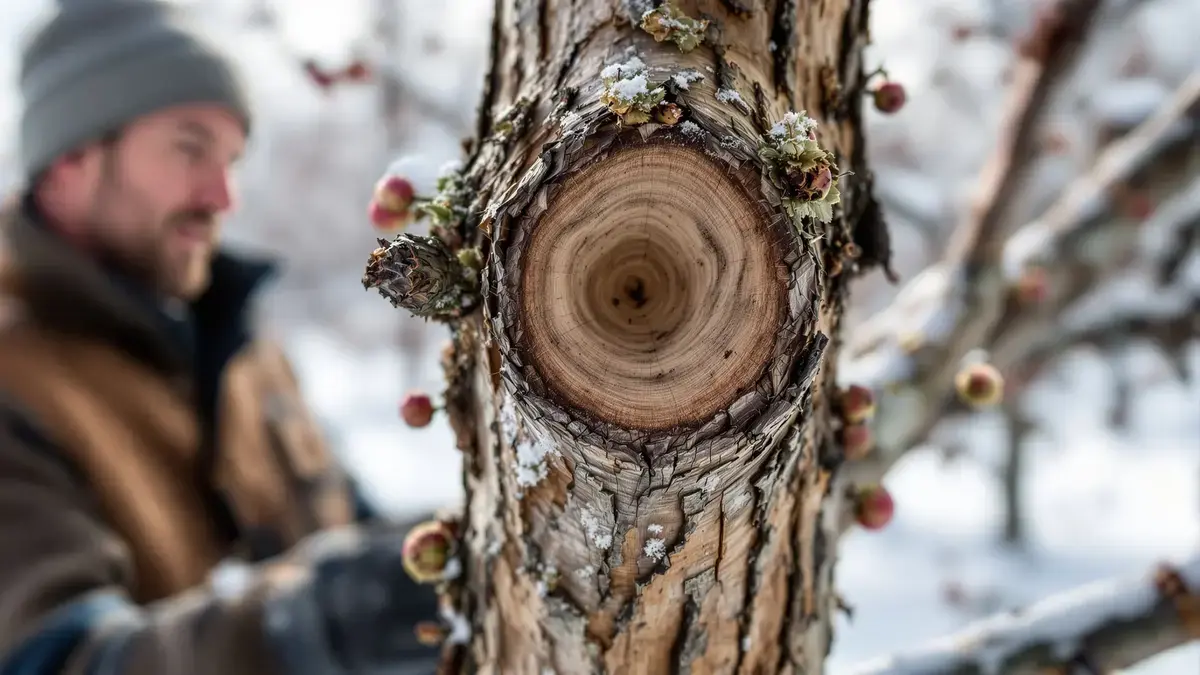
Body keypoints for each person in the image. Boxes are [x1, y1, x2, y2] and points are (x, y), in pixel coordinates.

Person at [0, 1, 444, 673]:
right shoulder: (16, 383)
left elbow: (349, 535)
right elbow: (61, 659)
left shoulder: (243, 347)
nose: (223, 196)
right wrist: (306, 627)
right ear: (71, 159)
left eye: (231, 159)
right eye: (189, 149)